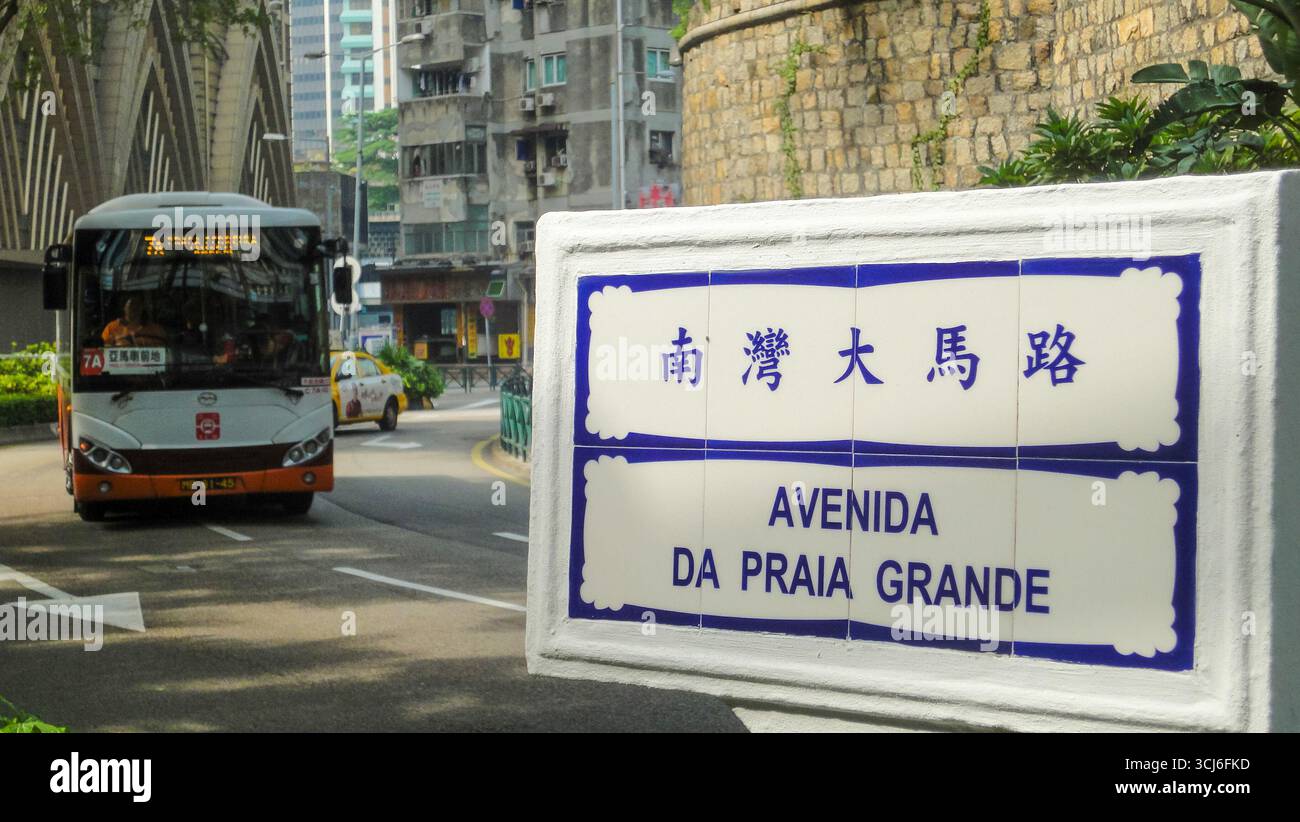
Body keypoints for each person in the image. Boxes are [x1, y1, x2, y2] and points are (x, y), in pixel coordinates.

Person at [101, 296, 166, 347]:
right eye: (131, 304)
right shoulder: (111, 328)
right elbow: (105, 351)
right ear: (124, 307)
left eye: (138, 304)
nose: (134, 307)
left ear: (142, 308)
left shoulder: (157, 330)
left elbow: (165, 352)